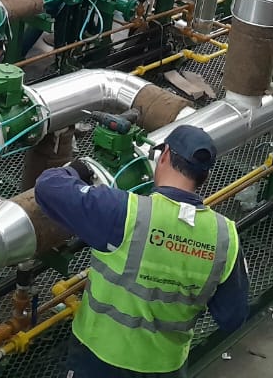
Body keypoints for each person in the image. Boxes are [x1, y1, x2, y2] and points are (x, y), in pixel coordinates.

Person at [35, 124, 248, 378]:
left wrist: (79, 168)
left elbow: (47, 186)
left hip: (98, 358)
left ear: (165, 155)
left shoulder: (124, 212)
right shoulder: (226, 236)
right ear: (206, 176)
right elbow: (232, 318)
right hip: (165, 367)